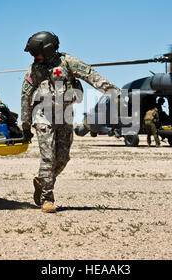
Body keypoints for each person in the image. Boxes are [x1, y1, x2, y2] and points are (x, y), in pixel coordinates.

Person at [21, 31, 120, 213]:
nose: (35, 57)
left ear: (48, 49)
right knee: (48, 157)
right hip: (42, 114)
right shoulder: (34, 69)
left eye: (37, 53)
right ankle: (47, 199)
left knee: (63, 158)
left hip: (64, 115)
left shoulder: (67, 62)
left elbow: (91, 76)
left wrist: (113, 91)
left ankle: (41, 182)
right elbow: (26, 93)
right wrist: (26, 123)